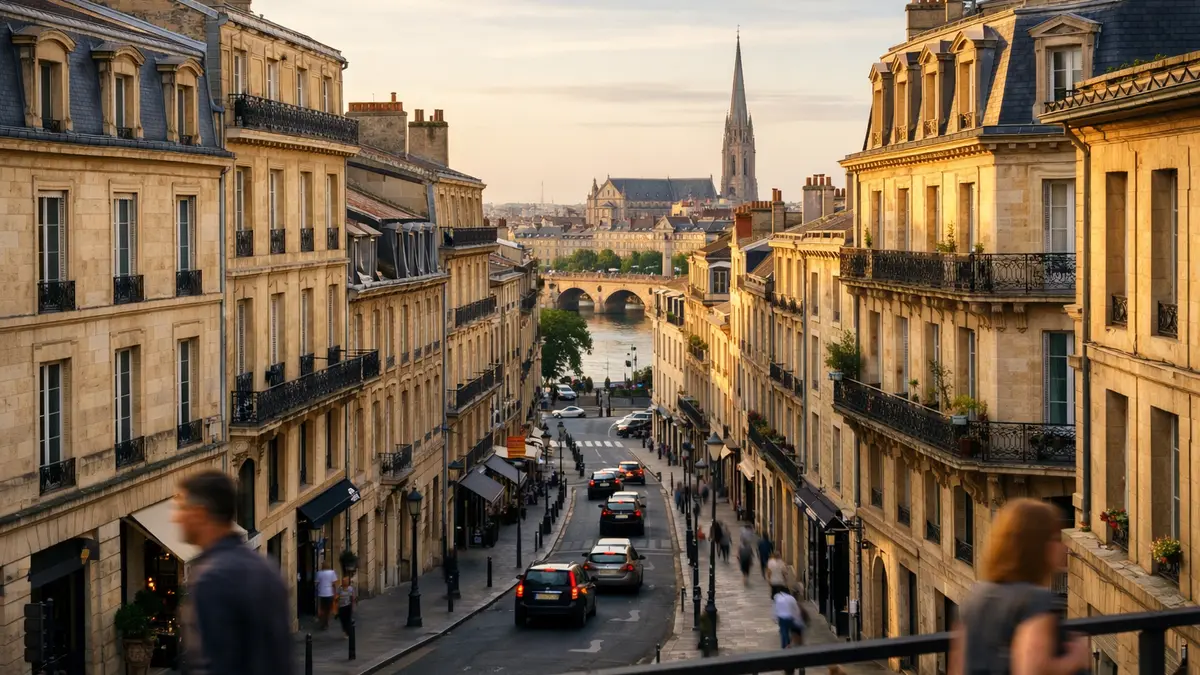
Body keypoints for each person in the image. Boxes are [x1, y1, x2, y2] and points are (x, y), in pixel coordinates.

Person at [949, 498, 1090, 675]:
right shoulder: (1036, 601)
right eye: (1055, 538)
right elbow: (1033, 670)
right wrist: (1076, 660)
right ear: (1036, 547)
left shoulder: (977, 596)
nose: (1063, 546)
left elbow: (957, 668)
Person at [173, 470, 292, 675]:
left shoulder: (212, 579)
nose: (175, 518)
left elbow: (215, 665)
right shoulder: (265, 568)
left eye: (182, 508)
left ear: (200, 514)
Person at [315, 562, 338, 630]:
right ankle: (326, 622)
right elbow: (334, 584)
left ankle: (322, 622)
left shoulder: (319, 573)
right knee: (328, 609)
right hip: (329, 593)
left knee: (322, 609)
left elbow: (316, 583)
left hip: (321, 593)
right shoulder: (332, 572)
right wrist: (335, 593)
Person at [336, 574, 357, 638]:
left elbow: (352, 598)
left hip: (348, 606)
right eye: (343, 581)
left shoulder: (350, 589)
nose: (343, 582)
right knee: (342, 620)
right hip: (341, 607)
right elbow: (337, 597)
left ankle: (348, 632)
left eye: (345, 581)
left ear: (348, 582)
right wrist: (336, 606)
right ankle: (345, 630)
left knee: (348, 619)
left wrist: (353, 606)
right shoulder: (340, 588)